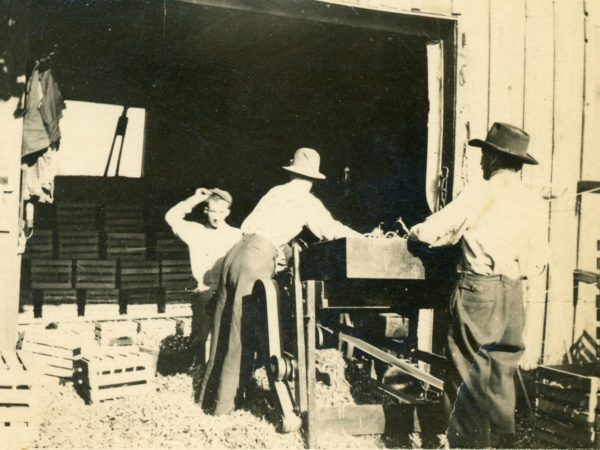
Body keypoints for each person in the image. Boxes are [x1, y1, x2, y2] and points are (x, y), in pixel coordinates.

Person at [408, 123, 548, 448]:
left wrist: (414, 231)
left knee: (468, 376)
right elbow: (540, 260)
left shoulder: (480, 192)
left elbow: (432, 232)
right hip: (513, 295)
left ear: (495, 157)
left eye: (484, 154)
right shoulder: (533, 202)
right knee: (501, 379)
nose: (482, 161)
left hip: (479, 293)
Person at [198, 147, 363, 415]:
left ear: (292, 173)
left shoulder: (275, 191)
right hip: (255, 258)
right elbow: (331, 230)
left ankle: (206, 399)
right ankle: (222, 410)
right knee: (240, 333)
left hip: (234, 255)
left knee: (222, 326)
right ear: (312, 180)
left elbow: (252, 225)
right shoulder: (307, 201)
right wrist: (365, 238)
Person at [165, 188, 242, 367]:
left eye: (221, 211)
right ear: (206, 210)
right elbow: (171, 217)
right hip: (204, 292)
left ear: (228, 212)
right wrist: (195, 199)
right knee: (200, 335)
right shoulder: (195, 231)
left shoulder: (236, 235)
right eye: (213, 211)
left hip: (227, 292)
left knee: (224, 335)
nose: (217, 216)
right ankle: (197, 372)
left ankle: (217, 372)